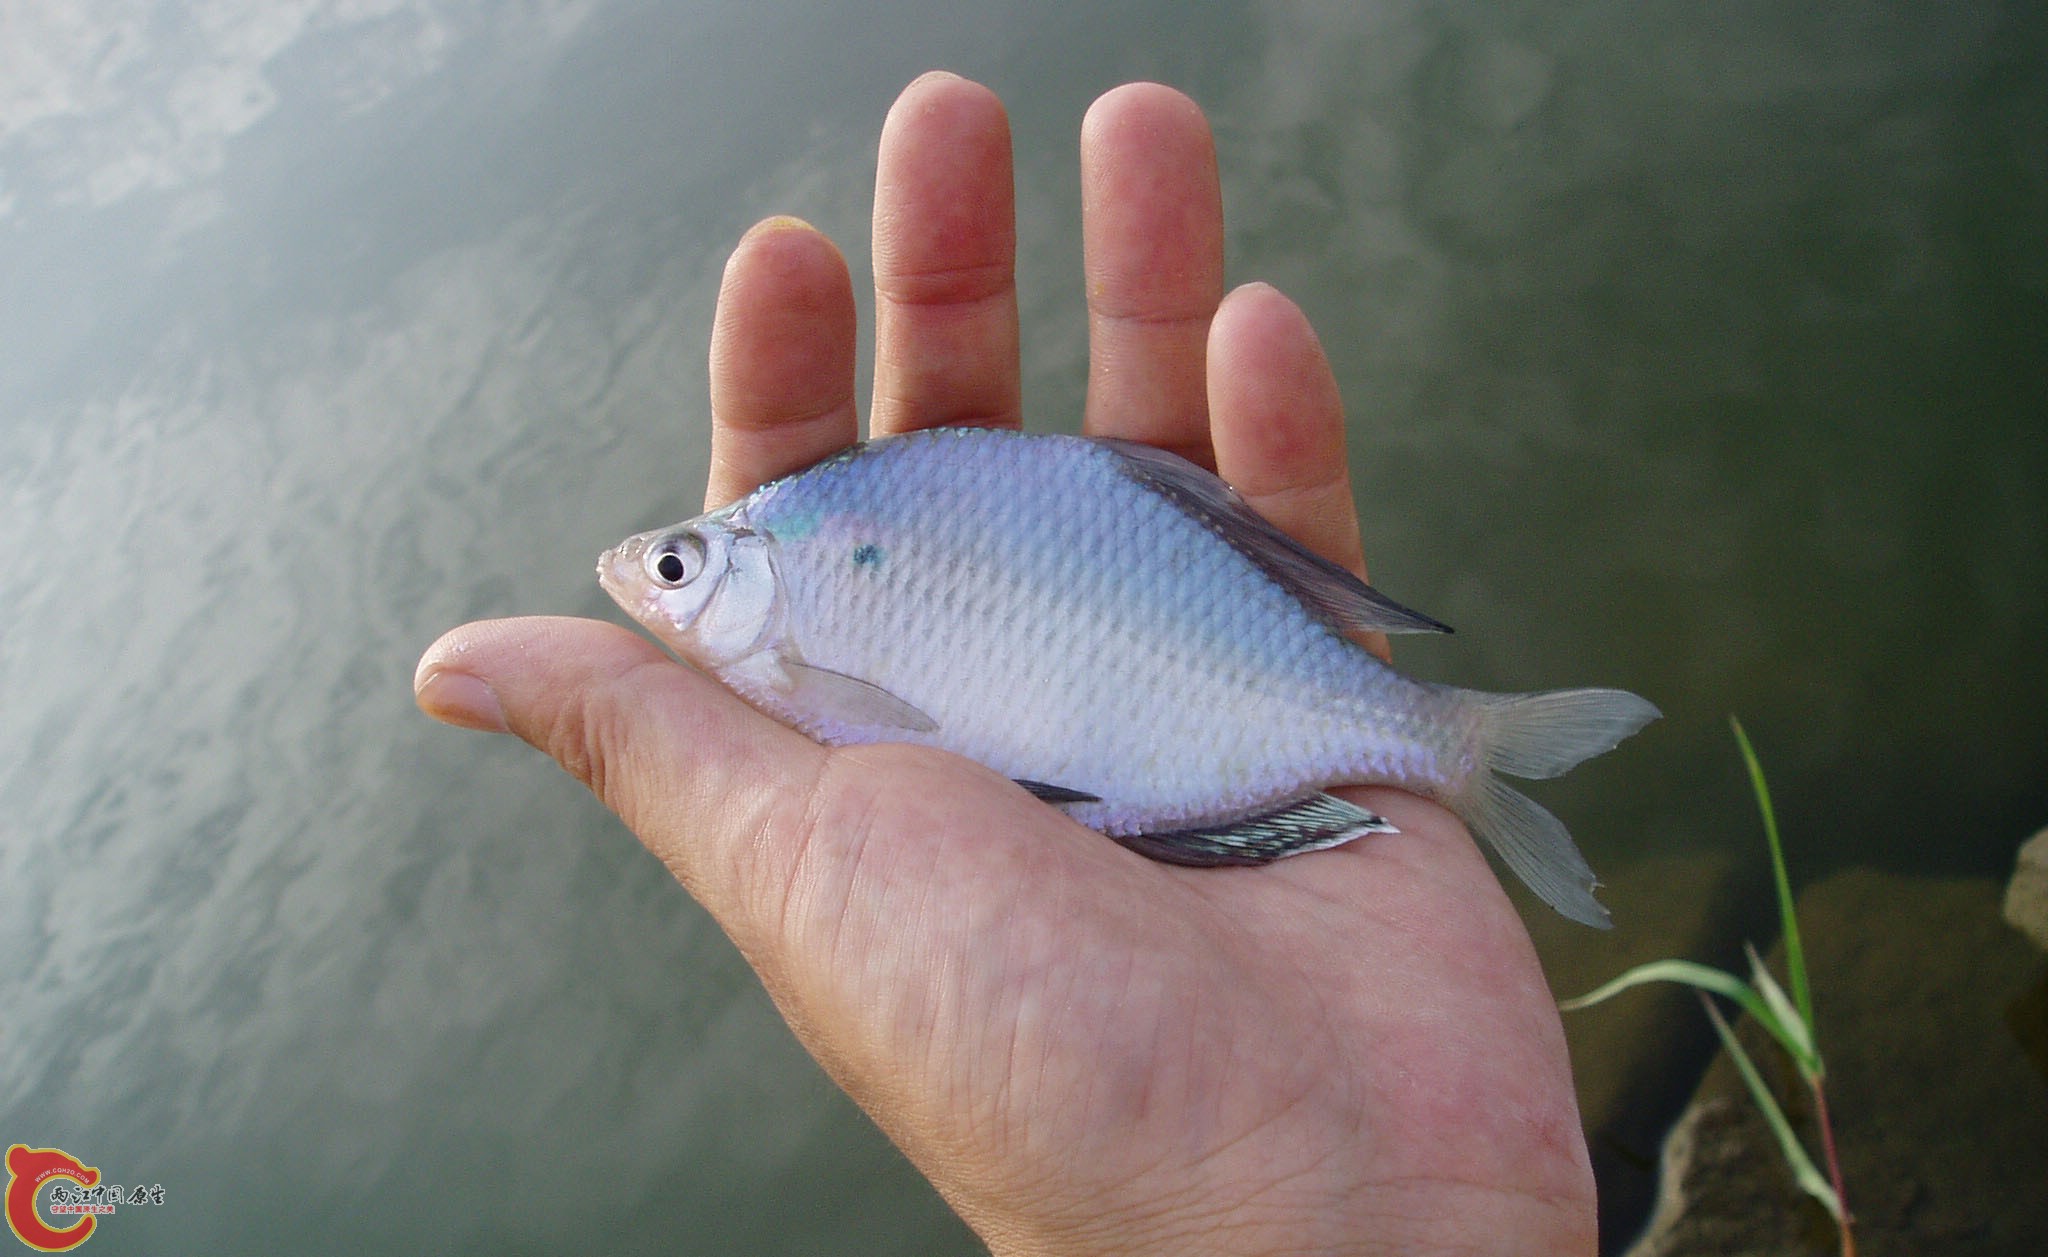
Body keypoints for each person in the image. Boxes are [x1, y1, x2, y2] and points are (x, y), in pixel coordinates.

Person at [415, 72, 1596, 1255]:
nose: (655, 586)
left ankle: (1453, 741)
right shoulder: (807, 554)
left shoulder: (797, 574)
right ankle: (1445, 737)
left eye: (678, 569)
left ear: (745, 563)